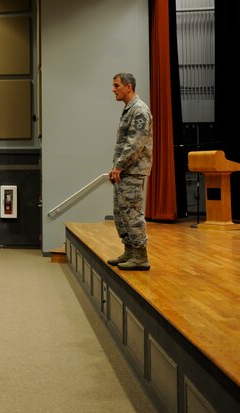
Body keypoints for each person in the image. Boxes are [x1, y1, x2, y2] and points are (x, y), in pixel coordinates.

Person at [107, 72, 153, 271]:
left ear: (128, 87)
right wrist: (116, 167)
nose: (113, 89)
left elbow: (135, 143)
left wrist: (120, 165)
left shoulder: (140, 110)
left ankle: (141, 256)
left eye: (117, 85)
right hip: (124, 170)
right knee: (120, 211)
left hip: (132, 170)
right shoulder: (129, 109)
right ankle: (129, 251)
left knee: (131, 212)